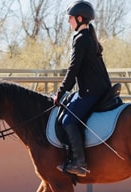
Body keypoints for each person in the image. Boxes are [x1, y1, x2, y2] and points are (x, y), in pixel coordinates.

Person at [55, 0, 112, 177]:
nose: (68, 21)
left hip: (90, 92)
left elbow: (73, 69)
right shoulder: (89, 38)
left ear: (79, 18)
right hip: (98, 89)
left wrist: (61, 91)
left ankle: (79, 162)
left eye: (70, 18)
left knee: (67, 121)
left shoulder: (81, 39)